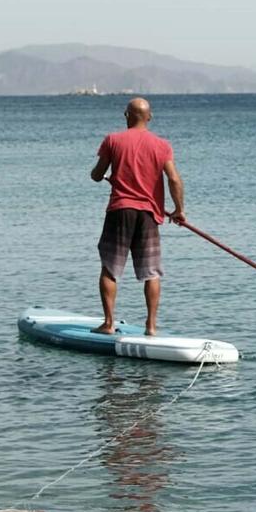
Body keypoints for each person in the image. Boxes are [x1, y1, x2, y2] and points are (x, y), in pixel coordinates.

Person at [90, 97, 185, 336]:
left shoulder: (113, 140)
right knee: (151, 272)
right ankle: (151, 327)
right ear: (149, 117)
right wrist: (179, 210)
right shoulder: (162, 145)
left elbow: (96, 174)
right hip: (149, 214)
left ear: (126, 116)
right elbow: (173, 178)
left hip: (120, 211)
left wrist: (102, 174)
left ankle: (109, 324)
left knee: (110, 269)